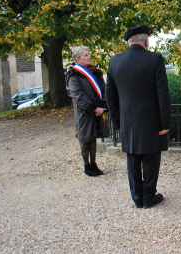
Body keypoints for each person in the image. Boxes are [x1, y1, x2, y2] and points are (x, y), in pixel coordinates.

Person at [106, 25, 171, 209]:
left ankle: (137, 197)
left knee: (132, 157)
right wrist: (165, 121)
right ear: (146, 41)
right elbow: (162, 93)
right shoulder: (154, 59)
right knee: (151, 157)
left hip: (127, 120)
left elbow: (110, 95)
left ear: (129, 42)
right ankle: (148, 195)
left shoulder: (114, 61)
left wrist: (117, 121)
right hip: (151, 119)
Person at [66, 46, 107, 177]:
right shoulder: (73, 74)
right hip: (84, 112)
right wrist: (93, 108)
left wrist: (101, 107)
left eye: (89, 54)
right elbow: (77, 94)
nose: (89, 57)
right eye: (85, 55)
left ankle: (94, 163)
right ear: (78, 59)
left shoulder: (96, 72)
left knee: (93, 138)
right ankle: (86, 166)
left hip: (98, 111)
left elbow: (103, 90)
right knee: (85, 138)